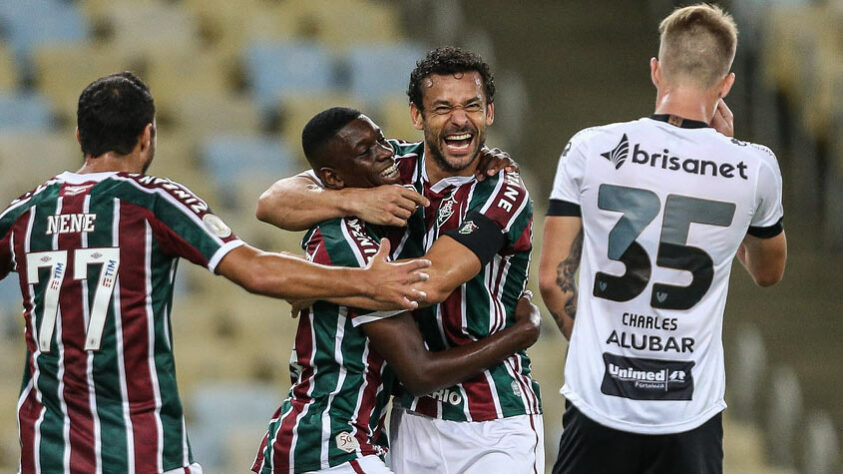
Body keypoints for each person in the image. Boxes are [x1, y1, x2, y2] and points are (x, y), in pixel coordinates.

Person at [0, 72, 431, 474]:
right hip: (144, 447)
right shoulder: (153, 201)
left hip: (45, 448)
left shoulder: (27, 211)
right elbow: (255, 271)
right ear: (148, 136)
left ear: (80, 137)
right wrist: (367, 283)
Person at [256, 47, 543, 474]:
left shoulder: (501, 189)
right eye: (442, 108)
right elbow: (271, 202)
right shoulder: (389, 167)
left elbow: (430, 284)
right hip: (411, 418)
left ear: (490, 113)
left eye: (472, 107)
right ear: (417, 116)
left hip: (494, 417)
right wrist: (356, 207)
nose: (459, 120)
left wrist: (319, 281)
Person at [538, 5, 787, 473]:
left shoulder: (589, 147)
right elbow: (768, 272)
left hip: (598, 406)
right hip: (689, 416)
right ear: (726, 83)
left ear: (656, 70)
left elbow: (552, 280)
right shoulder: (756, 168)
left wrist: (595, 344)